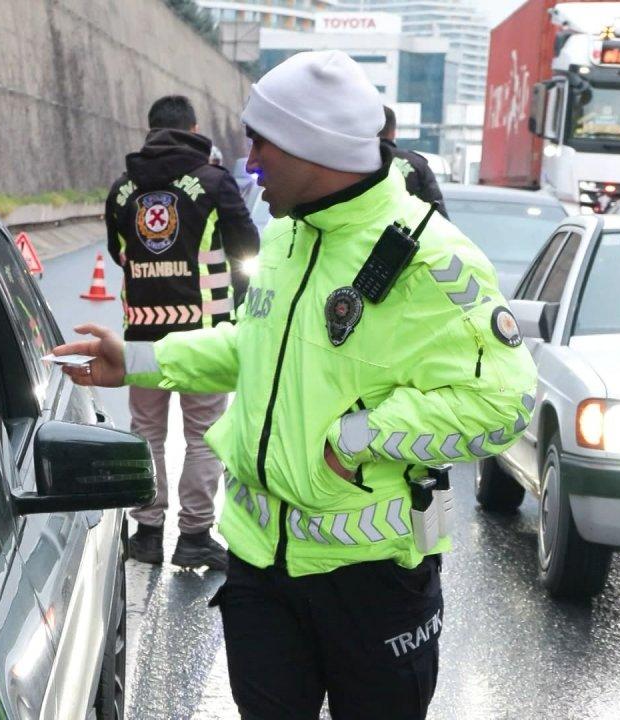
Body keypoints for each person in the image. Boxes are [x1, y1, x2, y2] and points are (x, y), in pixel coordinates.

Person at [57, 51, 536, 719]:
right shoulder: (284, 237)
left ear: (315, 147)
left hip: (373, 581)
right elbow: (252, 346)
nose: (249, 162)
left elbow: (505, 402)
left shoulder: (434, 260)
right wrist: (136, 359)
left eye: (261, 143)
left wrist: (361, 436)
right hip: (258, 572)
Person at [104, 94, 260, 572]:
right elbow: (247, 247)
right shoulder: (213, 182)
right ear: (193, 129)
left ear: (150, 130)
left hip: (142, 334)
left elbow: (117, 251)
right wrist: (237, 299)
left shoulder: (123, 190)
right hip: (204, 334)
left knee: (147, 431)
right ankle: (194, 536)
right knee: (203, 435)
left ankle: (147, 534)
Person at [380, 106, 448, 216]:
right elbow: (438, 213)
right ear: (393, 132)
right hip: (407, 225)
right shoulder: (416, 164)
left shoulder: (355, 163)